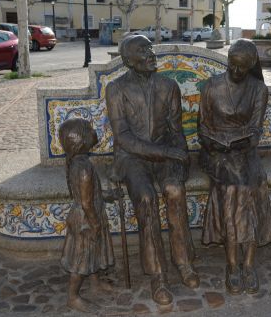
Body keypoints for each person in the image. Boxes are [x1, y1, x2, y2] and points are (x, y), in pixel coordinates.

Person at [105, 35, 199, 305]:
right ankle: (157, 274)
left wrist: (180, 160)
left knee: (174, 189)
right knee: (146, 197)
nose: (150, 53)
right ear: (128, 60)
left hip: (163, 154)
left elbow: (176, 130)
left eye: (150, 48)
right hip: (131, 157)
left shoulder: (168, 86)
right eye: (142, 50)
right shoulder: (116, 89)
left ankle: (183, 261)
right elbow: (123, 137)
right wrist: (167, 153)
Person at [198, 39, 271, 295]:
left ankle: (249, 263)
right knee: (234, 188)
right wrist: (216, 143)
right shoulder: (211, 86)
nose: (235, 72)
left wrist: (239, 142)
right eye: (232, 65)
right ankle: (233, 264)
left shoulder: (258, 89)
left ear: (251, 66)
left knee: (253, 185)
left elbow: (255, 132)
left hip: (245, 150)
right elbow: (202, 128)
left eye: (242, 68)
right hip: (215, 153)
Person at [59, 118, 115, 312]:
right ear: (81, 140)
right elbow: (86, 202)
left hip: (87, 214)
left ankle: (95, 283)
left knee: (93, 251)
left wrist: (109, 195)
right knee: (82, 258)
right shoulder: (83, 168)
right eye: (90, 129)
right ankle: (72, 297)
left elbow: (91, 194)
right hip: (86, 219)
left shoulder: (78, 162)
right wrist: (95, 223)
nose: (94, 131)